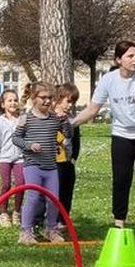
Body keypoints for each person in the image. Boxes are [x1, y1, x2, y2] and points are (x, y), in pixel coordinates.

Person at [72, 40, 135, 242]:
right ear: (118, 60)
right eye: (130, 56)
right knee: (120, 181)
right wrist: (70, 124)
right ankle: (119, 224)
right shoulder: (108, 80)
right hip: (122, 135)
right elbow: (92, 109)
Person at [12, 81, 74, 245]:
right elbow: (16, 139)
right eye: (43, 98)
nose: (47, 101)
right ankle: (25, 231)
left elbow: (68, 134)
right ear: (34, 98)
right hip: (33, 165)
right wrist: (29, 145)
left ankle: (51, 229)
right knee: (33, 197)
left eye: (50, 98)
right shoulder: (26, 119)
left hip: (51, 166)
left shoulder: (54, 118)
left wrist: (65, 121)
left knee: (54, 198)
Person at [0, 89, 25, 228]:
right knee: (6, 185)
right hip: (5, 157)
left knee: (21, 184)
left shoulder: (22, 120)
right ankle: (3, 212)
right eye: (10, 100)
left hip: (20, 157)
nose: (13, 103)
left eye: (15, 100)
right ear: (3, 104)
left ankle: (16, 211)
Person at [54, 83, 81, 226]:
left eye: (73, 102)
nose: (71, 105)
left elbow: (76, 139)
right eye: (68, 101)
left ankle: (64, 219)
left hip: (68, 161)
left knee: (67, 190)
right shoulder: (51, 117)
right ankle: (52, 218)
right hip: (54, 161)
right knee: (56, 190)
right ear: (59, 99)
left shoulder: (72, 119)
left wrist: (74, 156)